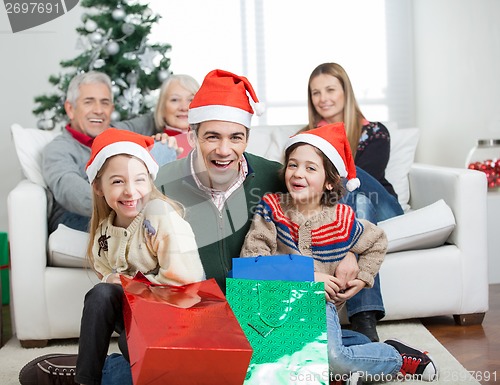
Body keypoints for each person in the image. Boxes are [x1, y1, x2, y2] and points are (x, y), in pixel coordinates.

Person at [19, 69, 286, 385]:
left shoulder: (275, 176)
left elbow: (334, 191)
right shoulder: (158, 183)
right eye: (212, 136)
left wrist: (355, 248)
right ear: (192, 135)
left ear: (247, 138)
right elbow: (129, 253)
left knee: (262, 375)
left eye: (235, 137)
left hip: (251, 316)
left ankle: (103, 372)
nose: (224, 150)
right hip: (181, 318)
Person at [240, 124, 438, 382]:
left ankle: (396, 357)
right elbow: (252, 260)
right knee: (262, 365)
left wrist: (363, 277)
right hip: (276, 302)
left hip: (319, 306)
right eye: (292, 164)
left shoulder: (342, 219)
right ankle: (355, 348)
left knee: (334, 360)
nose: (298, 173)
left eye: (310, 168)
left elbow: (377, 241)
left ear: (331, 182)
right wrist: (306, 277)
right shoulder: (272, 207)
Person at [82, 128, 204, 385]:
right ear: (98, 187)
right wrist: (112, 280)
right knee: (100, 295)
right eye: (117, 181)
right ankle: (86, 379)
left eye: (139, 180)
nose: (130, 191)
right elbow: (105, 274)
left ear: (150, 181)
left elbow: (187, 280)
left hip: (175, 315)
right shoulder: (104, 230)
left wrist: (130, 285)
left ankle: (109, 370)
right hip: (135, 316)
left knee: (133, 349)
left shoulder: (159, 214)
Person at [305, 62, 405, 341]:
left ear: (345, 92)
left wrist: (325, 155)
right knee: (357, 202)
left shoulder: (374, 132)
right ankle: (365, 321)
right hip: (354, 214)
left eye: (330, 89)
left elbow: (355, 182)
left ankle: (344, 246)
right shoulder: (308, 138)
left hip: (383, 207)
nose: (323, 98)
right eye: (315, 93)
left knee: (351, 180)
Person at [42, 71, 178, 235]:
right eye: (89, 102)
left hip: (132, 207)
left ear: (111, 109)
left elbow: (156, 117)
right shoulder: (58, 149)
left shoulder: (119, 131)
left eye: (105, 103)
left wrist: (176, 113)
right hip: (79, 217)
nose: (98, 110)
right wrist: (128, 204)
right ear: (70, 109)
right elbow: (72, 194)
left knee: (164, 147)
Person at [116, 74, 200, 158]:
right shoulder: (158, 144)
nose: (184, 107)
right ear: (162, 107)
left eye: (191, 100)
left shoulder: (208, 143)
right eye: (175, 100)